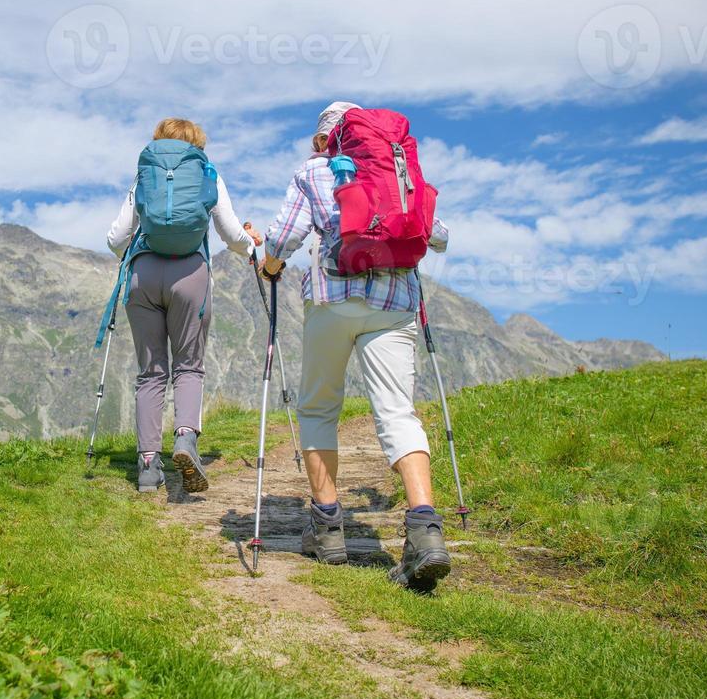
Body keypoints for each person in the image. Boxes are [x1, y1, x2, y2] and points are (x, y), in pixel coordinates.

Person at [259, 101, 452, 591]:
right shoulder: (398, 167)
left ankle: (327, 528)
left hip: (334, 298)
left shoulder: (314, 171)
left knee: (319, 408)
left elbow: (283, 237)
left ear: (324, 138)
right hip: (394, 301)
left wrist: (272, 265)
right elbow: (439, 234)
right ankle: (425, 531)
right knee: (398, 413)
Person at [107, 118, 261, 503]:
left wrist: (135, 251)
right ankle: (186, 441)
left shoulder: (144, 176)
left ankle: (146, 467)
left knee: (150, 372)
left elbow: (115, 238)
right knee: (189, 365)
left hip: (143, 275)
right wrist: (252, 246)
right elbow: (229, 233)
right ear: (197, 143)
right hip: (190, 273)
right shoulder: (207, 172)